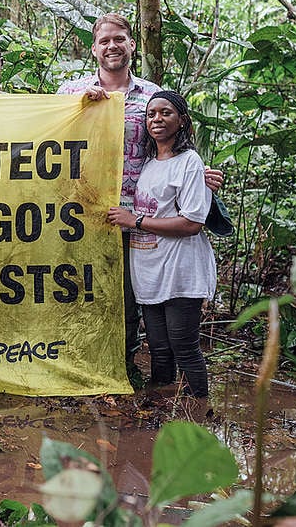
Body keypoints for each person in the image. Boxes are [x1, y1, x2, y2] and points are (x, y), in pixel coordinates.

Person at [57, 13, 223, 386]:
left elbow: (172, 148)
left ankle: (124, 366)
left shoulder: (151, 96)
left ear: (132, 44)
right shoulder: (70, 93)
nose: (112, 46)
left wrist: (200, 174)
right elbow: (47, 136)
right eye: (104, 41)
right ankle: (80, 364)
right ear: (94, 48)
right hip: (79, 212)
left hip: (135, 212)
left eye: (120, 39)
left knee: (131, 298)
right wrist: (80, 107)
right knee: (78, 290)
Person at [107, 90, 216, 402]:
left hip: (180, 272)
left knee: (184, 347)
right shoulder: (149, 163)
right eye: (151, 114)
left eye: (166, 113)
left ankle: (200, 411)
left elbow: (192, 223)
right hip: (150, 270)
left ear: (182, 120)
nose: (157, 119)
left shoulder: (189, 162)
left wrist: (135, 221)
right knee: (158, 347)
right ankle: (159, 412)